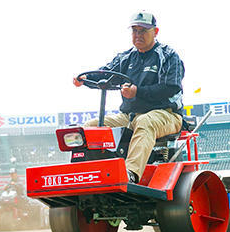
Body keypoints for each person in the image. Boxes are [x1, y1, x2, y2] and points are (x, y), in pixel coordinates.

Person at [73, 11, 185, 183]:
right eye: (135, 31)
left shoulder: (168, 56)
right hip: (129, 116)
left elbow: (170, 88)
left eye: (143, 31)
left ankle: (130, 174)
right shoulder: (126, 58)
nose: (138, 35)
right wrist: (86, 78)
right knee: (90, 127)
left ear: (155, 32)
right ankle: (87, 174)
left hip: (166, 114)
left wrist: (137, 92)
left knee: (145, 121)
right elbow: (106, 73)